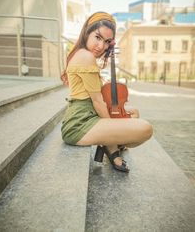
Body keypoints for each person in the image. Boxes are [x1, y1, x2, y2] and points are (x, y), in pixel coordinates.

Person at [61, 12, 153, 173]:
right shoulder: (85, 56)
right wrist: (113, 151)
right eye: (98, 37)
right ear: (87, 32)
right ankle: (111, 149)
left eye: (107, 42)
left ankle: (110, 142)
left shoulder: (83, 54)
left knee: (134, 114)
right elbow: (98, 103)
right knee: (146, 128)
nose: (101, 46)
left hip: (87, 116)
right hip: (79, 124)